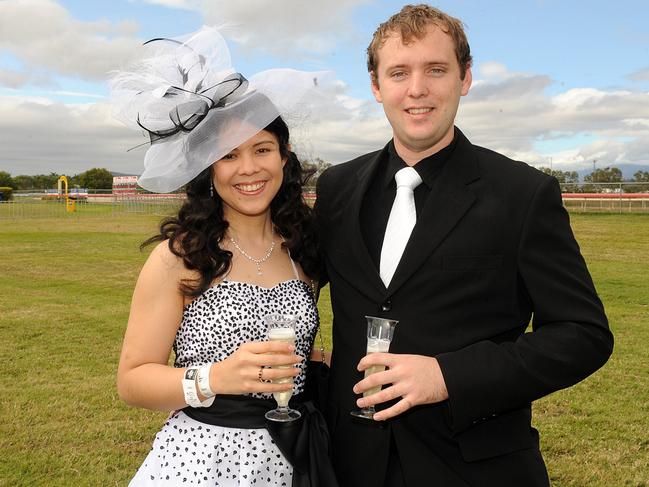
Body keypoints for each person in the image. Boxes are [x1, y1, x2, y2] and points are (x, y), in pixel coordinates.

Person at [315, 4, 613, 487]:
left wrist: (448, 376)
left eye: (436, 69)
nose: (417, 89)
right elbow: (291, 286)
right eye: (399, 72)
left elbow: (584, 335)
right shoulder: (337, 188)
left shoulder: (523, 193)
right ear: (376, 86)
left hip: (476, 468)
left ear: (465, 77)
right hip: (351, 463)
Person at [112, 27, 336, 487]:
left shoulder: (304, 250)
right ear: (207, 167)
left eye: (262, 149)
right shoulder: (181, 257)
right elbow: (132, 381)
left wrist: (318, 361)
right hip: (203, 459)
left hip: (293, 455)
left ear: (284, 155)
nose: (249, 168)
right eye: (228, 155)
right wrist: (214, 377)